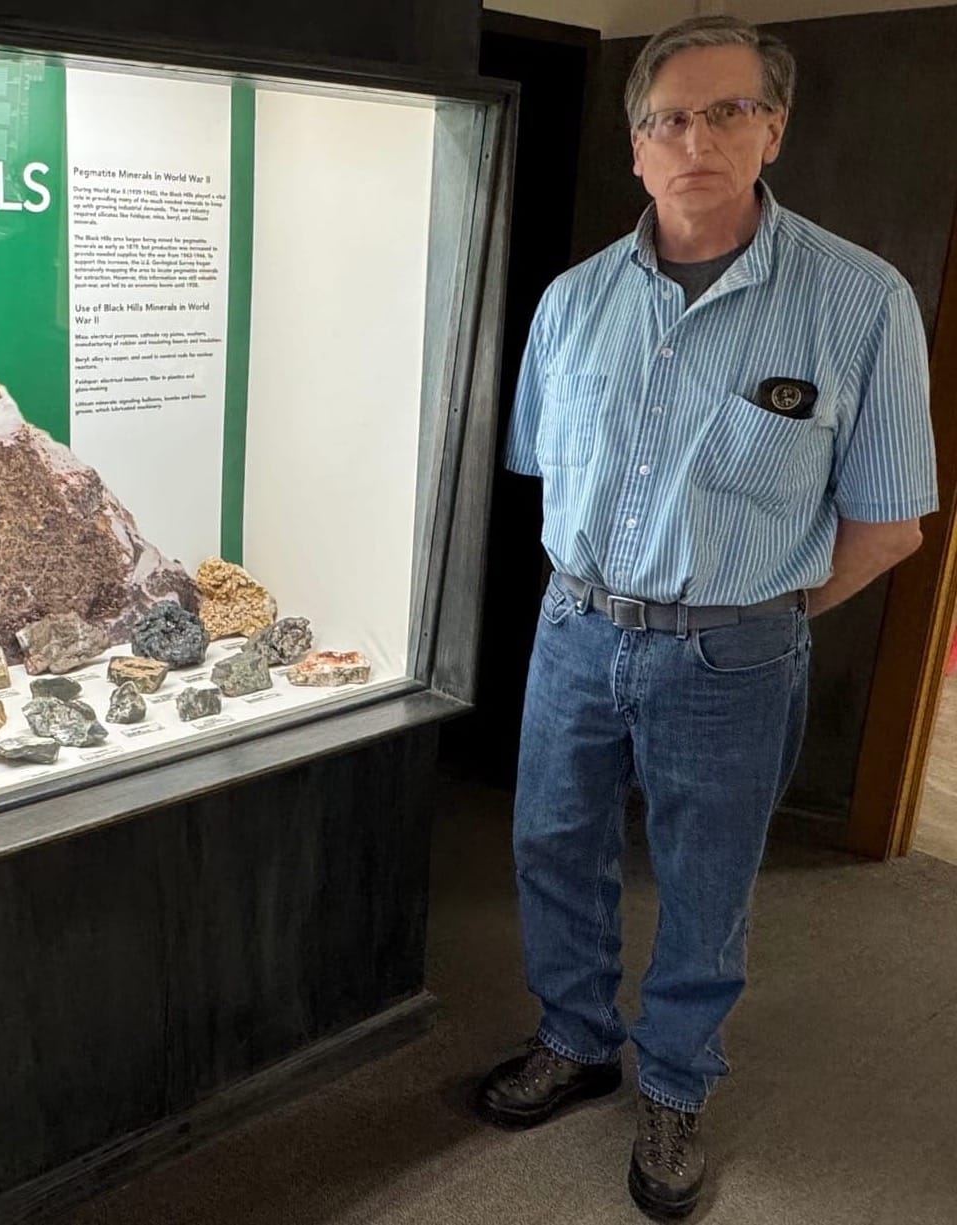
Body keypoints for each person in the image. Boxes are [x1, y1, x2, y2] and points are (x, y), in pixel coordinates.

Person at [475, 15, 937, 1222]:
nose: (696, 137)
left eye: (727, 110)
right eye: (668, 117)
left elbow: (891, 524)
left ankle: (674, 1084)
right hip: (572, 628)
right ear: (635, 146)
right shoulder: (573, 303)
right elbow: (542, 469)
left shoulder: (859, 303)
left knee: (704, 878)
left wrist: (765, 610)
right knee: (551, 848)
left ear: (771, 128)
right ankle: (574, 1040)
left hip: (732, 648)